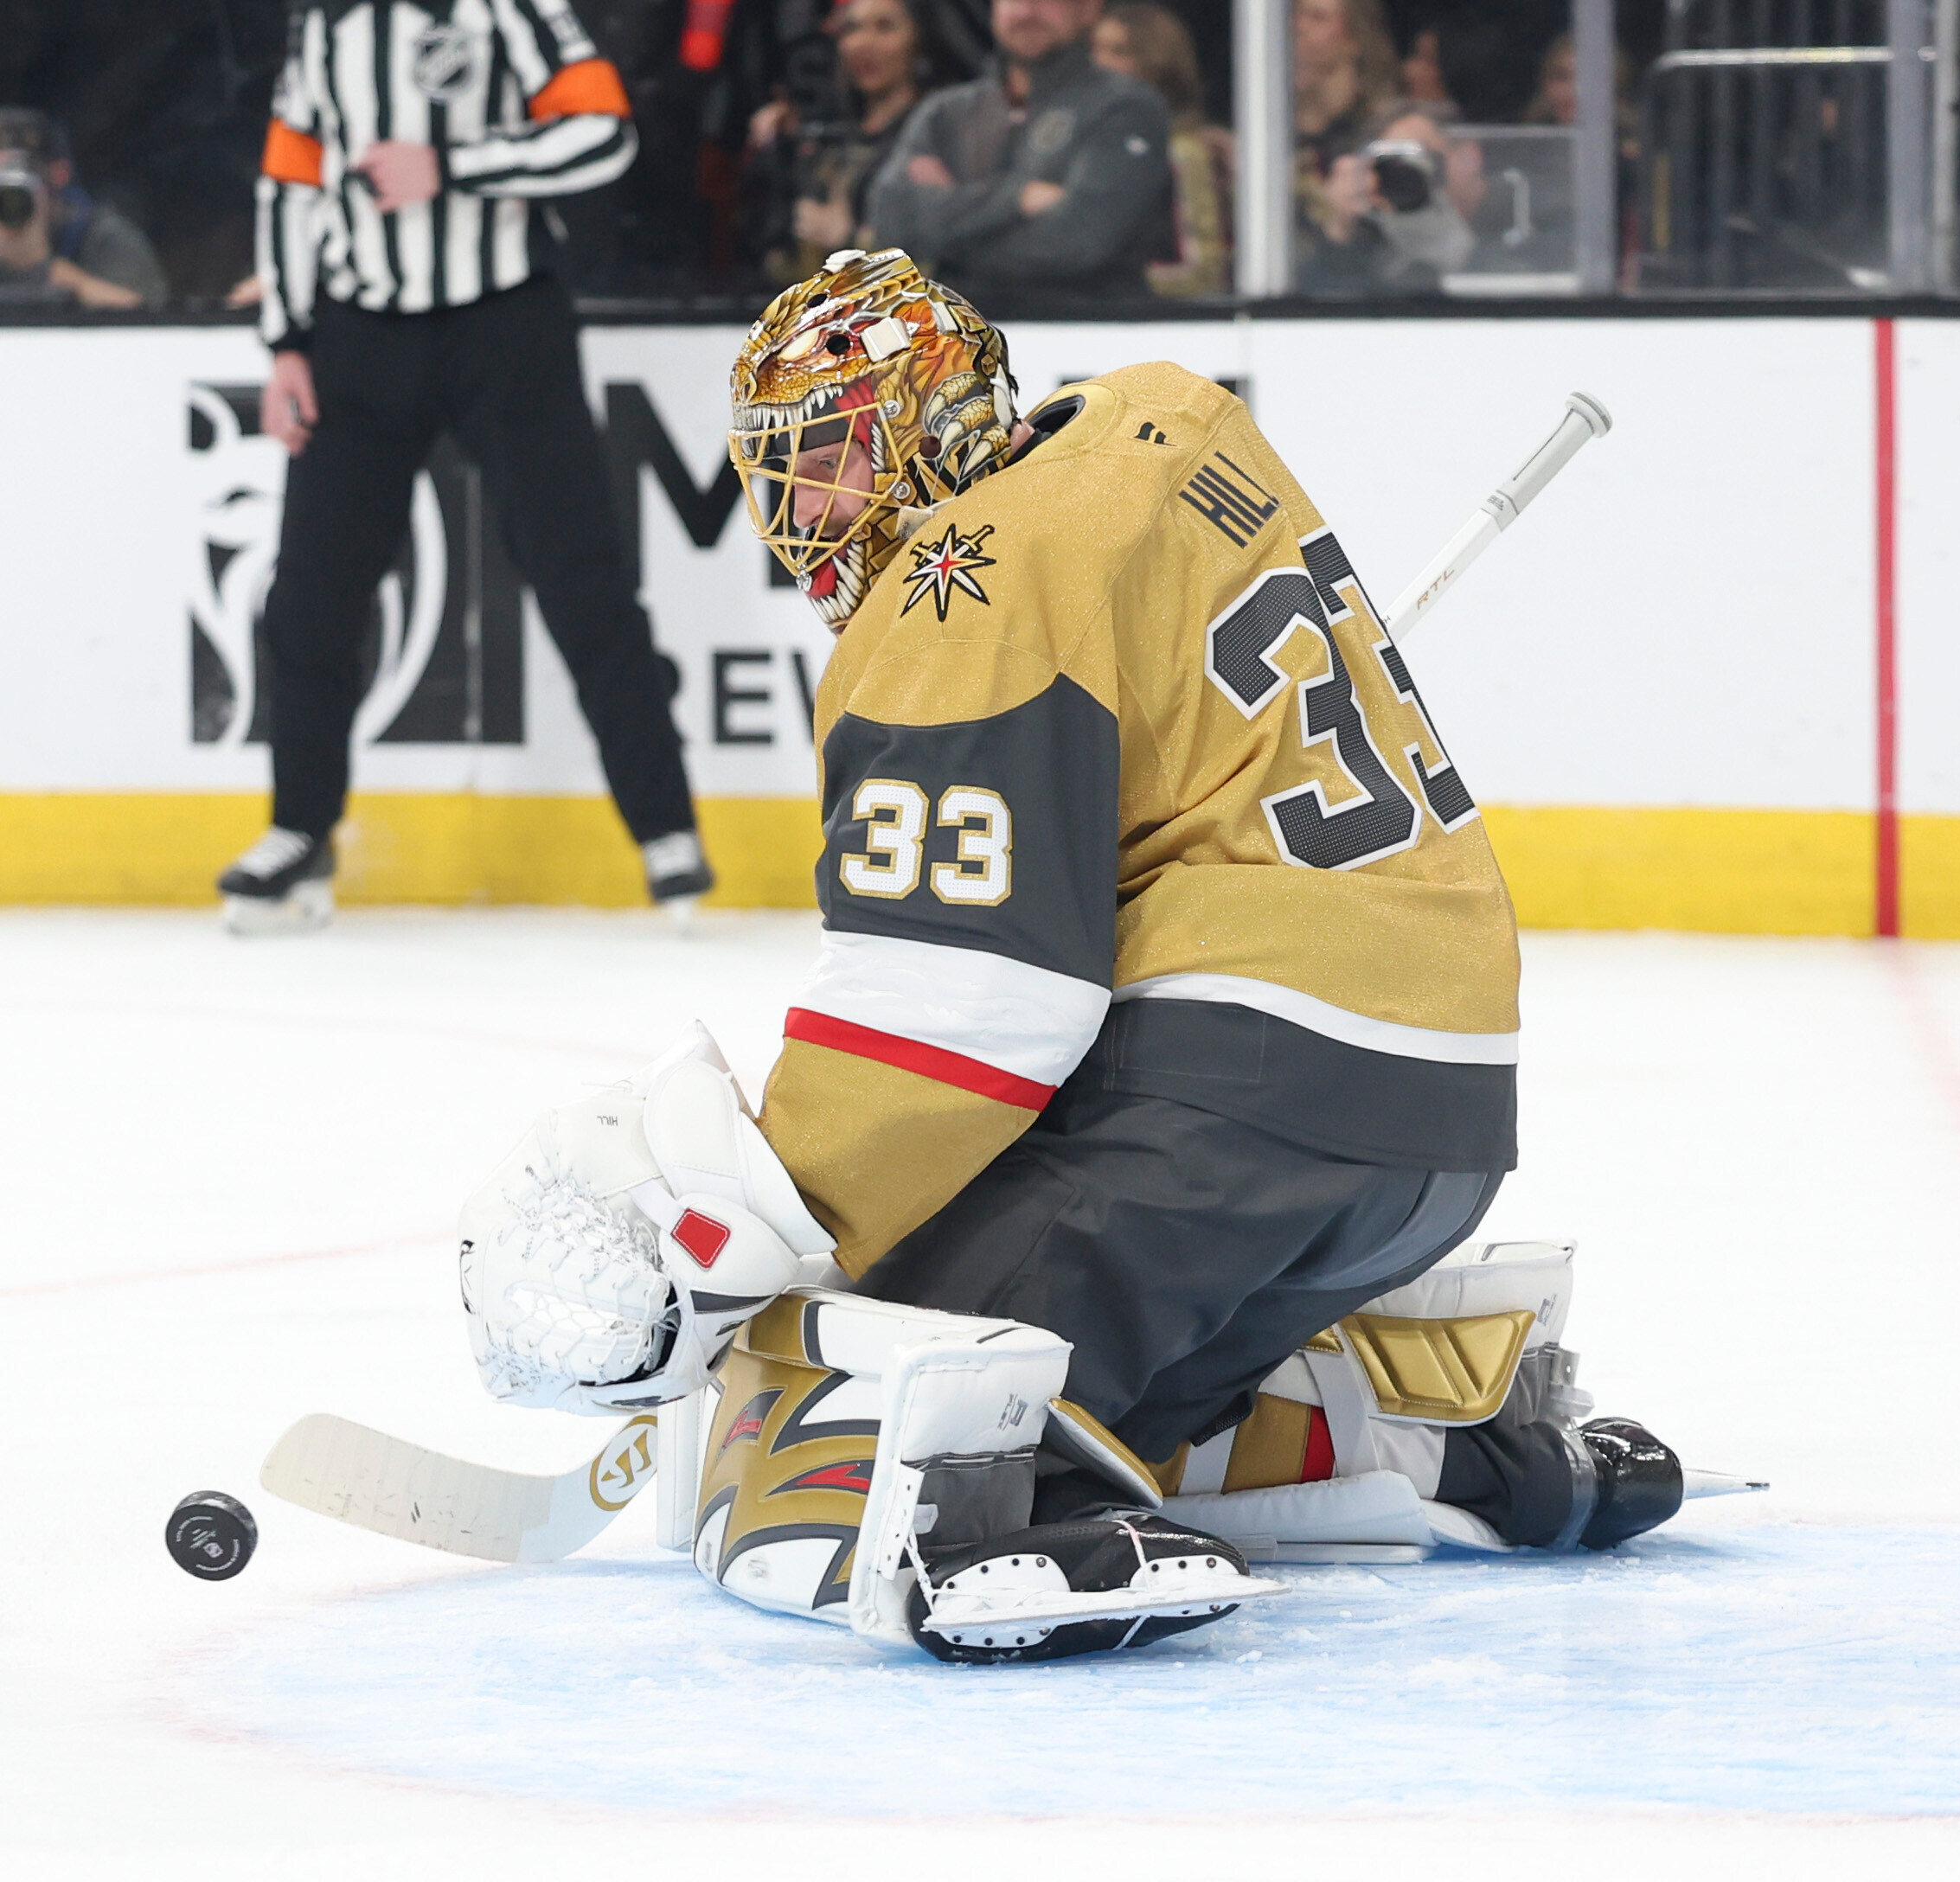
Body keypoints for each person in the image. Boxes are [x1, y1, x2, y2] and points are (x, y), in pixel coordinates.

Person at [450, 248, 1695, 1665]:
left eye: (832, 462)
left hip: (1241, 1110)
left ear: (926, 419)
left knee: (870, 1360)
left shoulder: (961, 588)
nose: (805, 519)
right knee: (1108, 1353)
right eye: (782, 479)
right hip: (1435, 1129)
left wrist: (764, 1223)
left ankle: (988, 1509)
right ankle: (1431, 1424)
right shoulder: (1152, 422)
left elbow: (956, 1019)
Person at [227, 0, 711, 932]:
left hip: (505, 325)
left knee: (583, 579)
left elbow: (604, 134)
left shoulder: (511, 9)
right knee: (311, 595)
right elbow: (289, 176)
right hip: (358, 335)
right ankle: (299, 828)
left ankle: (666, 830)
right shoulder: (325, 23)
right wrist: (286, 337)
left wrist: (453, 166)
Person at [862, 0, 1172, 304]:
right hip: (961, 340)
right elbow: (890, 223)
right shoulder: (946, 113)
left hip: (1087, 333)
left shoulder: (1126, 108)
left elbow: (1076, 243)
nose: (1026, 11)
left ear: (1090, 8)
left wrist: (947, 241)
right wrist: (1016, 198)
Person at [741, 0, 938, 281]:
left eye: (885, 27)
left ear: (918, 39)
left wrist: (848, 238)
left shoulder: (938, 136)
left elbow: (944, 254)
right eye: (852, 28)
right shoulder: (823, 137)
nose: (863, 43)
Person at [1292, 0, 1479, 294]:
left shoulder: (1395, 127)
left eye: (1317, 18)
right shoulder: (1269, 139)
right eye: (1293, 15)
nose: (1297, 28)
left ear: (1355, 37)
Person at [1092, 1, 1231, 297]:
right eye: (1094, 49)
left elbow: (1204, 272)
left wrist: (1108, 284)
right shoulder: (1088, 150)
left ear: (1156, 63)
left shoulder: (1183, 154)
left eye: (1118, 52)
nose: (1099, 63)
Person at [0, 109, 165, 307]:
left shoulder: (104, 239)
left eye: (24, 176)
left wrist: (47, 270)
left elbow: (150, 320)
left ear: (60, 174)